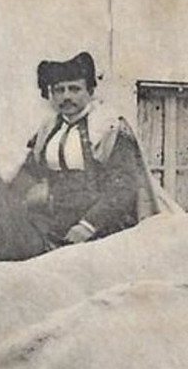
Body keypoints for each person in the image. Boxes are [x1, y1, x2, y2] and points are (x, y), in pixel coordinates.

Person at [11, 51, 161, 248]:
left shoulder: (109, 128)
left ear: (90, 91)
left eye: (74, 89)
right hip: (52, 224)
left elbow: (123, 186)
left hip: (101, 228)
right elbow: (29, 172)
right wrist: (10, 202)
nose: (66, 96)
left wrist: (87, 226)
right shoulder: (48, 130)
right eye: (59, 90)